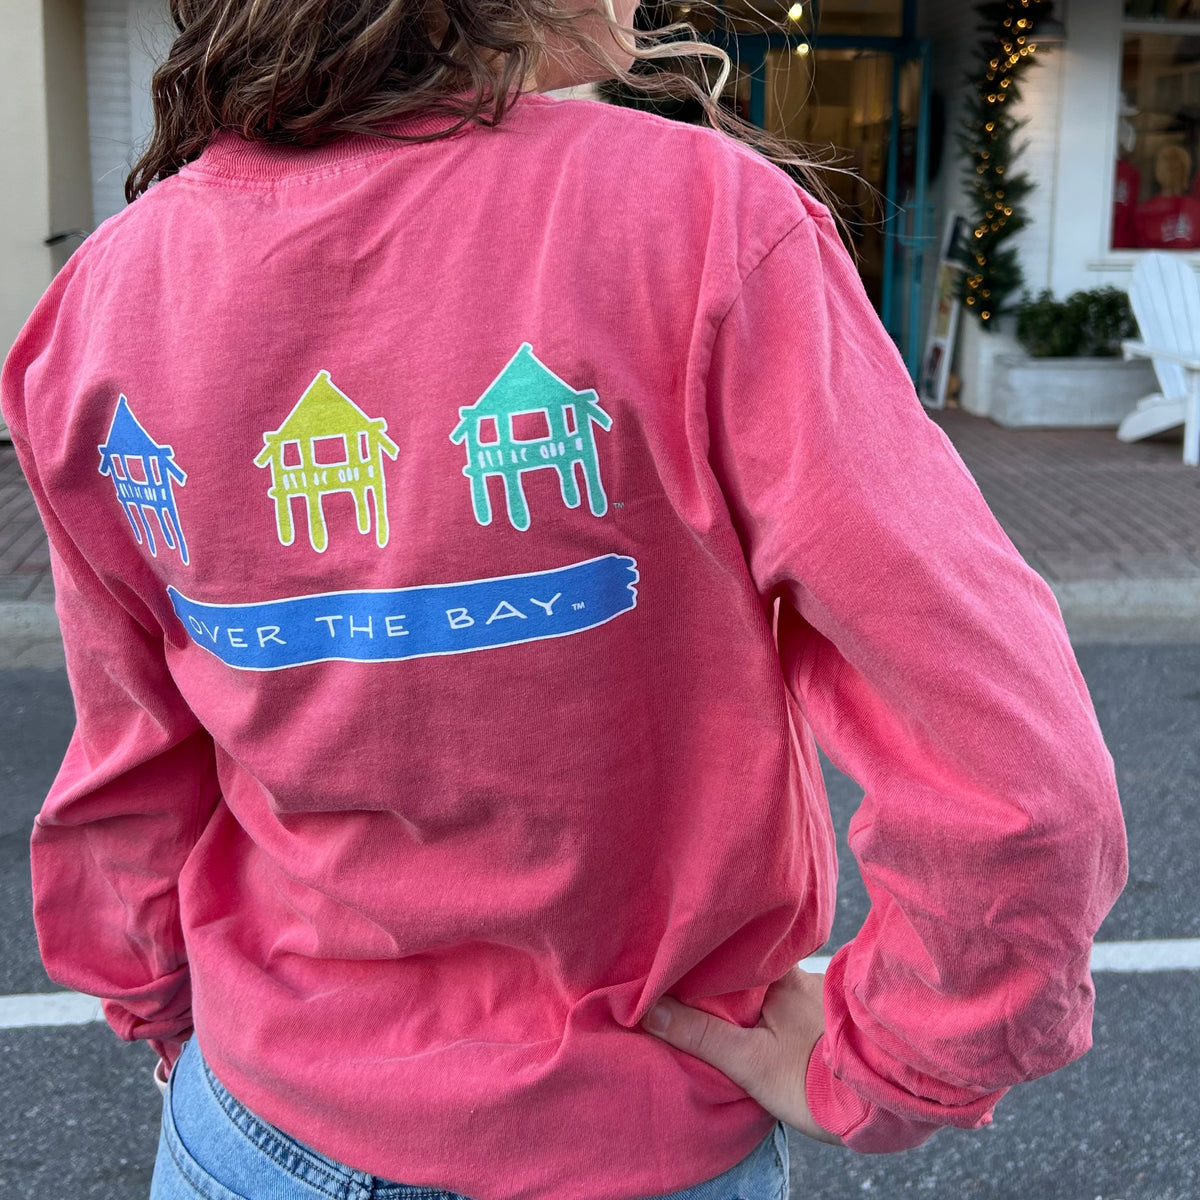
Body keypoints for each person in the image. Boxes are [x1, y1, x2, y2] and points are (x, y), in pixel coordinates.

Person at [1, 0, 1127, 1197]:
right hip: (629, 1133)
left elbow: (131, 767)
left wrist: (171, 1023)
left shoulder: (102, 301)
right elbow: (1019, 779)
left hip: (257, 1127)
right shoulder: (700, 228)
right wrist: (900, 1059)